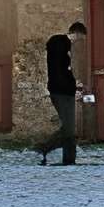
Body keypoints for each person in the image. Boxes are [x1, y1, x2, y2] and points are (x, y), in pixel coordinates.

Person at [37, 21, 89, 165]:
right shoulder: (63, 45)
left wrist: (75, 84)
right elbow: (61, 72)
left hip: (60, 90)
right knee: (69, 129)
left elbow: (62, 71)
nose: (79, 41)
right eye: (80, 38)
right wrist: (73, 87)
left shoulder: (61, 46)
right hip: (62, 93)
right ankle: (44, 148)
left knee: (69, 129)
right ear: (77, 33)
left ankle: (68, 159)